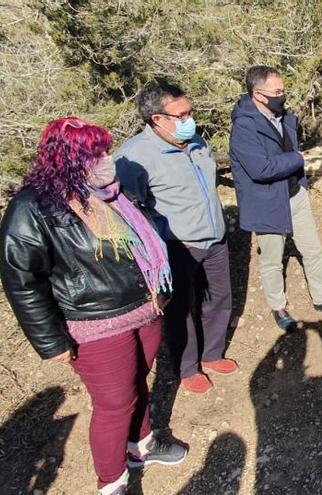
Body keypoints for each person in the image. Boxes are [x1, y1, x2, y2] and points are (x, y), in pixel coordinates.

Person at [0, 117, 187, 495]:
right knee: (115, 405)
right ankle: (112, 482)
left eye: (105, 150)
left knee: (138, 383)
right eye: (95, 153)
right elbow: (22, 279)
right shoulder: (34, 207)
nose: (106, 159)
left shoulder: (112, 193)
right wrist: (51, 342)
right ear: (68, 158)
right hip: (94, 324)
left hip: (143, 309)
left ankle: (142, 446)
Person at [116, 82, 236, 394]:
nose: (189, 120)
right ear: (157, 119)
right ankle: (187, 367)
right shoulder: (134, 158)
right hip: (177, 245)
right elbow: (129, 211)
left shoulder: (195, 141)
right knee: (181, 308)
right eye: (180, 115)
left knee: (220, 298)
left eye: (189, 113)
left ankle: (212, 354)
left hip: (215, 238)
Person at [229, 65, 322, 331]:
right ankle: (279, 307)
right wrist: (298, 159)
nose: (282, 95)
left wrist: (301, 182)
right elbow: (260, 168)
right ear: (258, 95)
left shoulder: (284, 116)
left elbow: (288, 148)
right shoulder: (244, 128)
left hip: (294, 193)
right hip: (267, 200)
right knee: (272, 258)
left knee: (312, 249)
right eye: (277, 91)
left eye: (283, 89)